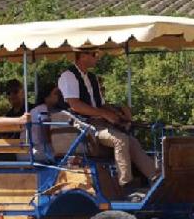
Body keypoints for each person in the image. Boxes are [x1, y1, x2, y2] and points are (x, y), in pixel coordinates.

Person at [58, 50, 158, 196]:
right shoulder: (69, 76)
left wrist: (117, 114)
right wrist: (104, 113)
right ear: (83, 56)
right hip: (82, 126)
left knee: (133, 141)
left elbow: (101, 104)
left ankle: (156, 177)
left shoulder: (92, 77)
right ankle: (126, 185)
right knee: (121, 140)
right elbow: (75, 105)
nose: (97, 58)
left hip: (99, 123)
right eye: (94, 55)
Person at [28, 84, 63, 161]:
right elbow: (45, 131)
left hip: (35, 147)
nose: (58, 96)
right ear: (46, 97)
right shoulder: (42, 109)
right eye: (55, 93)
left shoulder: (41, 108)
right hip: (37, 149)